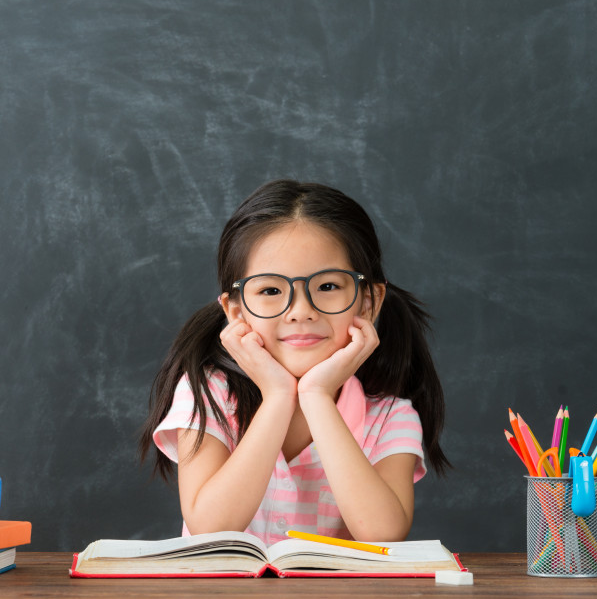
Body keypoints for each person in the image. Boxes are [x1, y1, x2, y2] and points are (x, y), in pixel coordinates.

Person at [138, 179, 448, 546]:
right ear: (235, 310)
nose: (301, 311)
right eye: (270, 291)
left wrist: (316, 396)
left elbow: (383, 533)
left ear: (369, 300)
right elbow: (210, 528)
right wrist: (277, 397)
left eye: (328, 287)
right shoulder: (208, 393)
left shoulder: (390, 417)